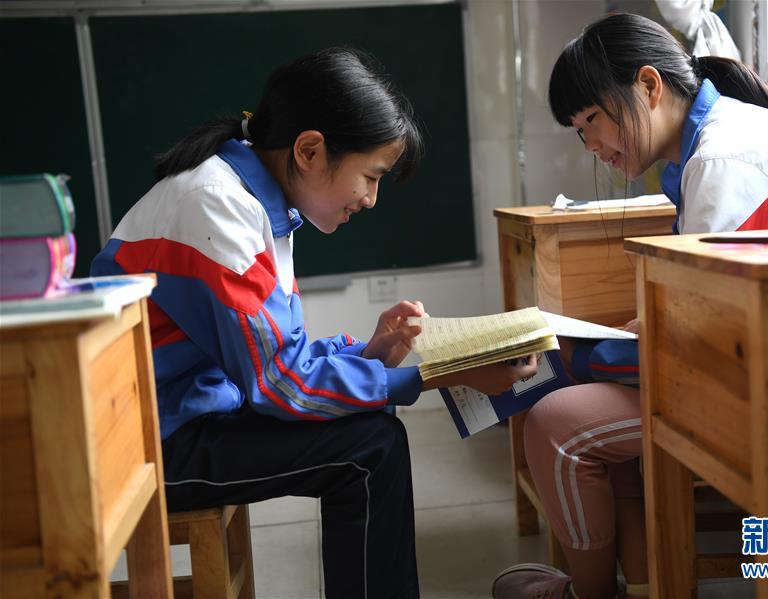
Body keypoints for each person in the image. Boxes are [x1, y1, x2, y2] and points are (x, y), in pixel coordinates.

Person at [91, 48, 538, 599]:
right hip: (142, 450)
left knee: (373, 435)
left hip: (185, 416)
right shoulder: (217, 207)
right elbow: (282, 383)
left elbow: (279, 355)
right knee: (371, 449)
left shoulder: (254, 202)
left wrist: (369, 353)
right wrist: (436, 376)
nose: (370, 200)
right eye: (370, 177)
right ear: (309, 150)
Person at [493, 12, 768, 599]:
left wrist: (573, 356)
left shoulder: (723, 160)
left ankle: (589, 593)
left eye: (592, 120)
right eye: (579, 132)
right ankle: (642, 584)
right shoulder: (719, 142)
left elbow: (705, 344)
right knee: (572, 382)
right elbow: (706, 319)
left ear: (648, 86)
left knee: (555, 422)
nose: (592, 146)